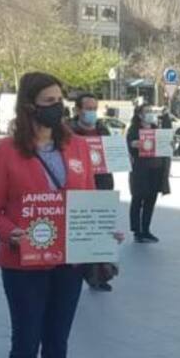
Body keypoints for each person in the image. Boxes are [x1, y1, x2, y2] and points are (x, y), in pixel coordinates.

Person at [0, 72, 101, 358]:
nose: (60, 107)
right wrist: (14, 234)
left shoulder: (79, 148)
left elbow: (87, 202)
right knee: (25, 343)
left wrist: (101, 231)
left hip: (67, 262)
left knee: (58, 342)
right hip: (23, 265)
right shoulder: (5, 152)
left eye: (61, 99)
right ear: (31, 106)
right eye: (50, 100)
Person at [72, 93, 118, 292]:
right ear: (77, 110)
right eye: (87, 108)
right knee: (80, 233)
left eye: (94, 108)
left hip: (102, 184)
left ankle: (99, 274)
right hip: (79, 187)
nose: (91, 112)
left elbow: (113, 156)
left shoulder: (103, 130)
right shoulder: (68, 133)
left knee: (101, 231)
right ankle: (77, 273)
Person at [127, 104, 170, 242]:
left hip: (156, 169)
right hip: (140, 170)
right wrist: (133, 144)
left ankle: (146, 229)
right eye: (147, 111)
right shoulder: (134, 129)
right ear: (139, 114)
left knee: (151, 200)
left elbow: (165, 140)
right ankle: (136, 231)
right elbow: (128, 144)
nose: (150, 113)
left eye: (151, 111)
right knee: (138, 199)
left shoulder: (155, 128)